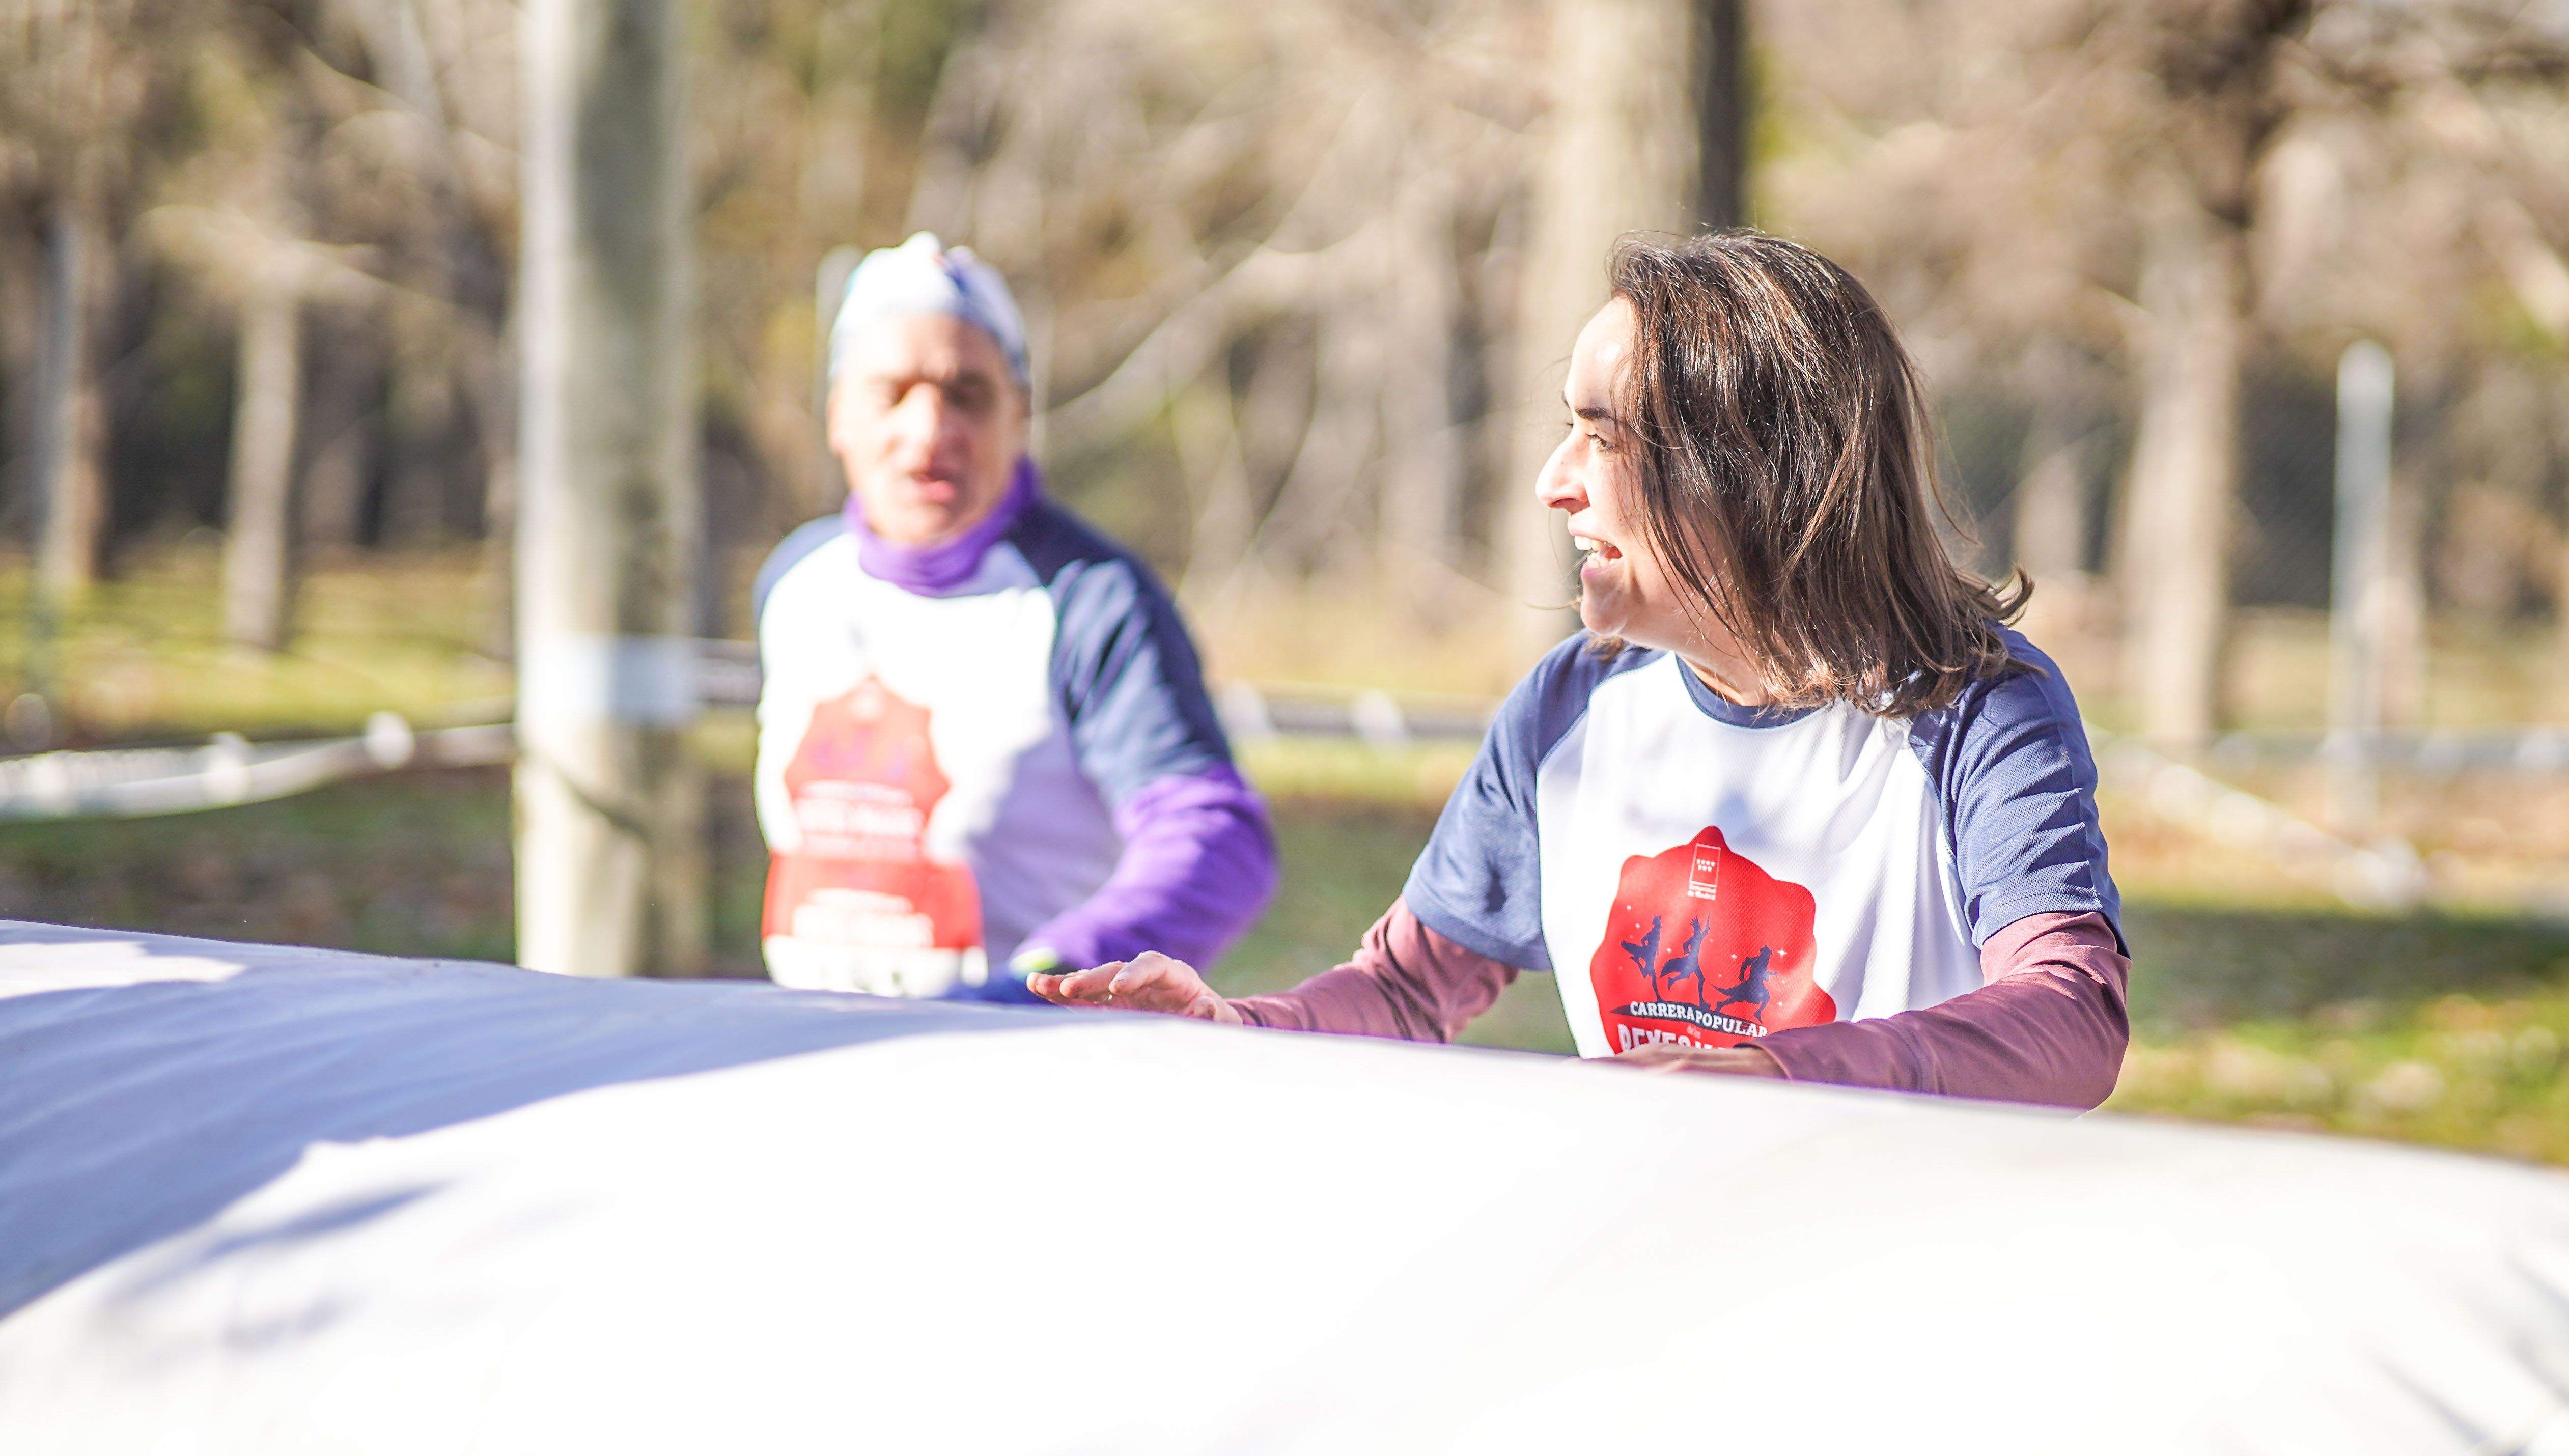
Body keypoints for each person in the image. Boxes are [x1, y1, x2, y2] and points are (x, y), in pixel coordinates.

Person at [1035, 233, 2128, 1105]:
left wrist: (1778, 1076)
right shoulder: (1571, 701)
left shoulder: (1979, 707)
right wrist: (1236, 1032)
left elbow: (2073, 1017)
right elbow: (1409, 992)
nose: (1555, 482)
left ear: (1749, 470)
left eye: (1604, 438)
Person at [751, 234, 1276, 1000]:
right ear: (838, 417)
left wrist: (1053, 975)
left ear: (1019, 414)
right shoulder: (795, 585)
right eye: (891, 393)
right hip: (816, 1060)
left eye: (967, 395)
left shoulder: (1089, 597)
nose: (929, 431)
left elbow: (1218, 842)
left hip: (1023, 1064)